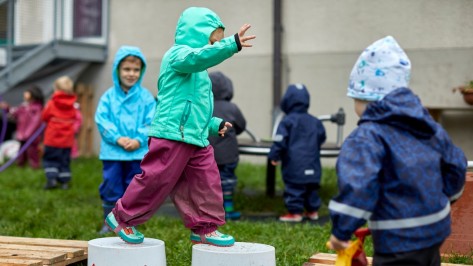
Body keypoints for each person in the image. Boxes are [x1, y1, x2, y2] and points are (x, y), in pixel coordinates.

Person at [104, 7, 255, 246]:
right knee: (156, 180)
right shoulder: (177, 56)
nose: (212, 47)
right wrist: (230, 44)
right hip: (171, 134)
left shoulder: (201, 74)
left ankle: (204, 226)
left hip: (196, 138)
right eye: (211, 41)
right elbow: (198, 58)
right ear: (197, 33)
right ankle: (122, 217)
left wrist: (213, 124)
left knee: (206, 181)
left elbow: (195, 107)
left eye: (215, 43)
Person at [328, 36, 467, 265]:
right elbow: (456, 164)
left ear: (365, 98)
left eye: (355, 98)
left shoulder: (366, 137)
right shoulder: (426, 124)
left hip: (397, 238)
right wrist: (447, 198)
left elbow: (358, 186)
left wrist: (341, 232)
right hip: (435, 229)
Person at [95, 45, 156, 234]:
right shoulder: (108, 97)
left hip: (137, 153)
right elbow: (102, 120)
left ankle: (129, 221)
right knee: (111, 184)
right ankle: (109, 220)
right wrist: (118, 138)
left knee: (133, 187)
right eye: (127, 69)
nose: (131, 74)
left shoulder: (146, 98)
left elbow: (152, 120)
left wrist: (138, 139)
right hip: (113, 151)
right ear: (117, 70)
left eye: (136, 70)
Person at [268, 83, 326, 222]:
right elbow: (322, 137)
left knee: (294, 188)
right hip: (313, 164)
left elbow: (280, 140)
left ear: (286, 101)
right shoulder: (315, 121)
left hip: (295, 166)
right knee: (311, 188)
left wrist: (274, 155)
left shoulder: (287, 122)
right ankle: (312, 211)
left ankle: (295, 212)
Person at [208, 71, 247, 220]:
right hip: (228, 155)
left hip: (208, 154)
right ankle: (228, 210)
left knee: (209, 183)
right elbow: (241, 125)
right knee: (227, 181)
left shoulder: (204, 106)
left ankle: (211, 211)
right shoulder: (232, 108)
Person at [41, 76, 78, 190]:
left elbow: (44, 116)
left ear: (56, 88)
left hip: (52, 139)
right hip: (67, 141)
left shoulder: (52, 103)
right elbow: (74, 117)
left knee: (51, 159)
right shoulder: (73, 105)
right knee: (64, 161)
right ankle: (64, 183)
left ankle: (51, 180)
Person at [0, 86, 44, 168]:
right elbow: (13, 112)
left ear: (33, 94)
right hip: (22, 134)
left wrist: (29, 133)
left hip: (32, 135)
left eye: (27, 92)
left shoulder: (37, 108)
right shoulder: (23, 107)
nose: (24, 94)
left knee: (32, 151)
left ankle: (35, 166)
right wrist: (6, 108)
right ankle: (21, 165)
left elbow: (36, 122)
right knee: (21, 152)